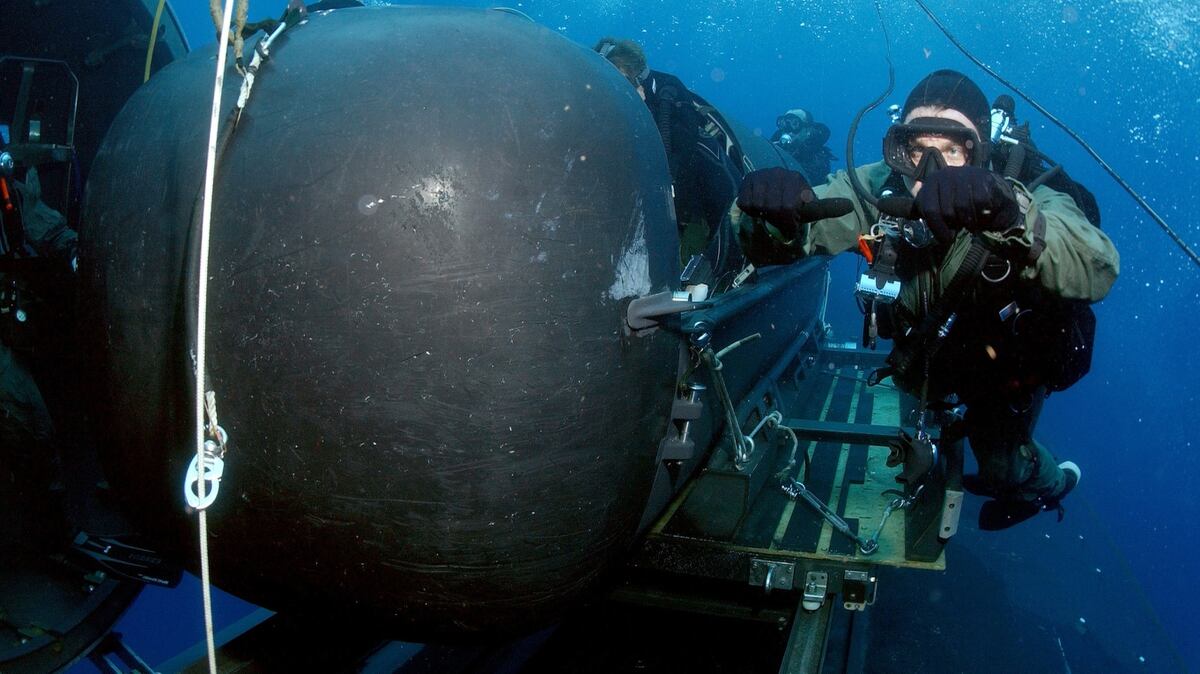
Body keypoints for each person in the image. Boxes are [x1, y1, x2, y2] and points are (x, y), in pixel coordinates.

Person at [734, 69, 1119, 530]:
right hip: (927, 360)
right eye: (917, 150)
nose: (929, 173)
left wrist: (1009, 212)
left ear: (982, 151)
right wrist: (774, 219)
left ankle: (1052, 485)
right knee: (921, 430)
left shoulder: (1028, 194)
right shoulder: (882, 186)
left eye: (953, 150)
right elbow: (817, 213)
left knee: (1001, 465)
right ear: (899, 149)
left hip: (1003, 373)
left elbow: (1095, 263)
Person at [769, 108, 837, 185]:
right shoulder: (776, 148)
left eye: (794, 123)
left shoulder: (817, 158)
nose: (788, 130)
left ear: (807, 131)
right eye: (784, 123)